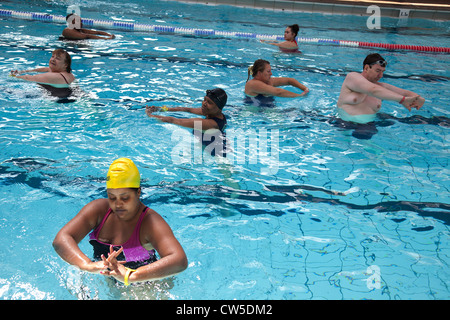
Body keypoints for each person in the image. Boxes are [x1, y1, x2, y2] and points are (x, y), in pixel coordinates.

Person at [53, 158, 188, 285]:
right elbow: (61, 239)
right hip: (107, 278)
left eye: (125, 198)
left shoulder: (150, 222)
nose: (118, 204)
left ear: (138, 192)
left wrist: (130, 275)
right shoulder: (99, 210)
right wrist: (87, 265)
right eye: (112, 197)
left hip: (144, 284)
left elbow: (179, 260)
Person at [337, 53, 425, 124]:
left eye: (382, 72)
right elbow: (372, 90)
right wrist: (402, 100)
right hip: (344, 124)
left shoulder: (381, 87)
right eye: (378, 71)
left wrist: (419, 98)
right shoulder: (352, 77)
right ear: (366, 68)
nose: (381, 75)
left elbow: (405, 93)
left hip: (368, 127)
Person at [146, 88, 228, 157]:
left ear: (219, 108)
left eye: (209, 102)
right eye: (204, 100)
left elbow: (174, 120)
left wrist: (150, 115)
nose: (204, 104)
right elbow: (186, 109)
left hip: (217, 156)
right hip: (209, 145)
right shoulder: (211, 112)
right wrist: (162, 109)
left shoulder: (209, 124)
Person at [10, 49, 75, 98]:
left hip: (55, 103)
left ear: (65, 64)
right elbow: (47, 69)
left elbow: (29, 78)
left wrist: (13, 76)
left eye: (57, 58)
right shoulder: (68, 74)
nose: (53, 59)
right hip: (70, 97)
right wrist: (25, 71)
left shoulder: (54, 76)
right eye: (52, 56)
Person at [245, 59, 309, 99]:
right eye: (268, 71)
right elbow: (278, 92)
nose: (271, 73)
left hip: (267, 109)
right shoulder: (252, 84)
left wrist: (305, 89)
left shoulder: (268, 81)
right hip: (253, 112)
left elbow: (289, 80)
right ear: (259, 73)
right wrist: (299, 96)